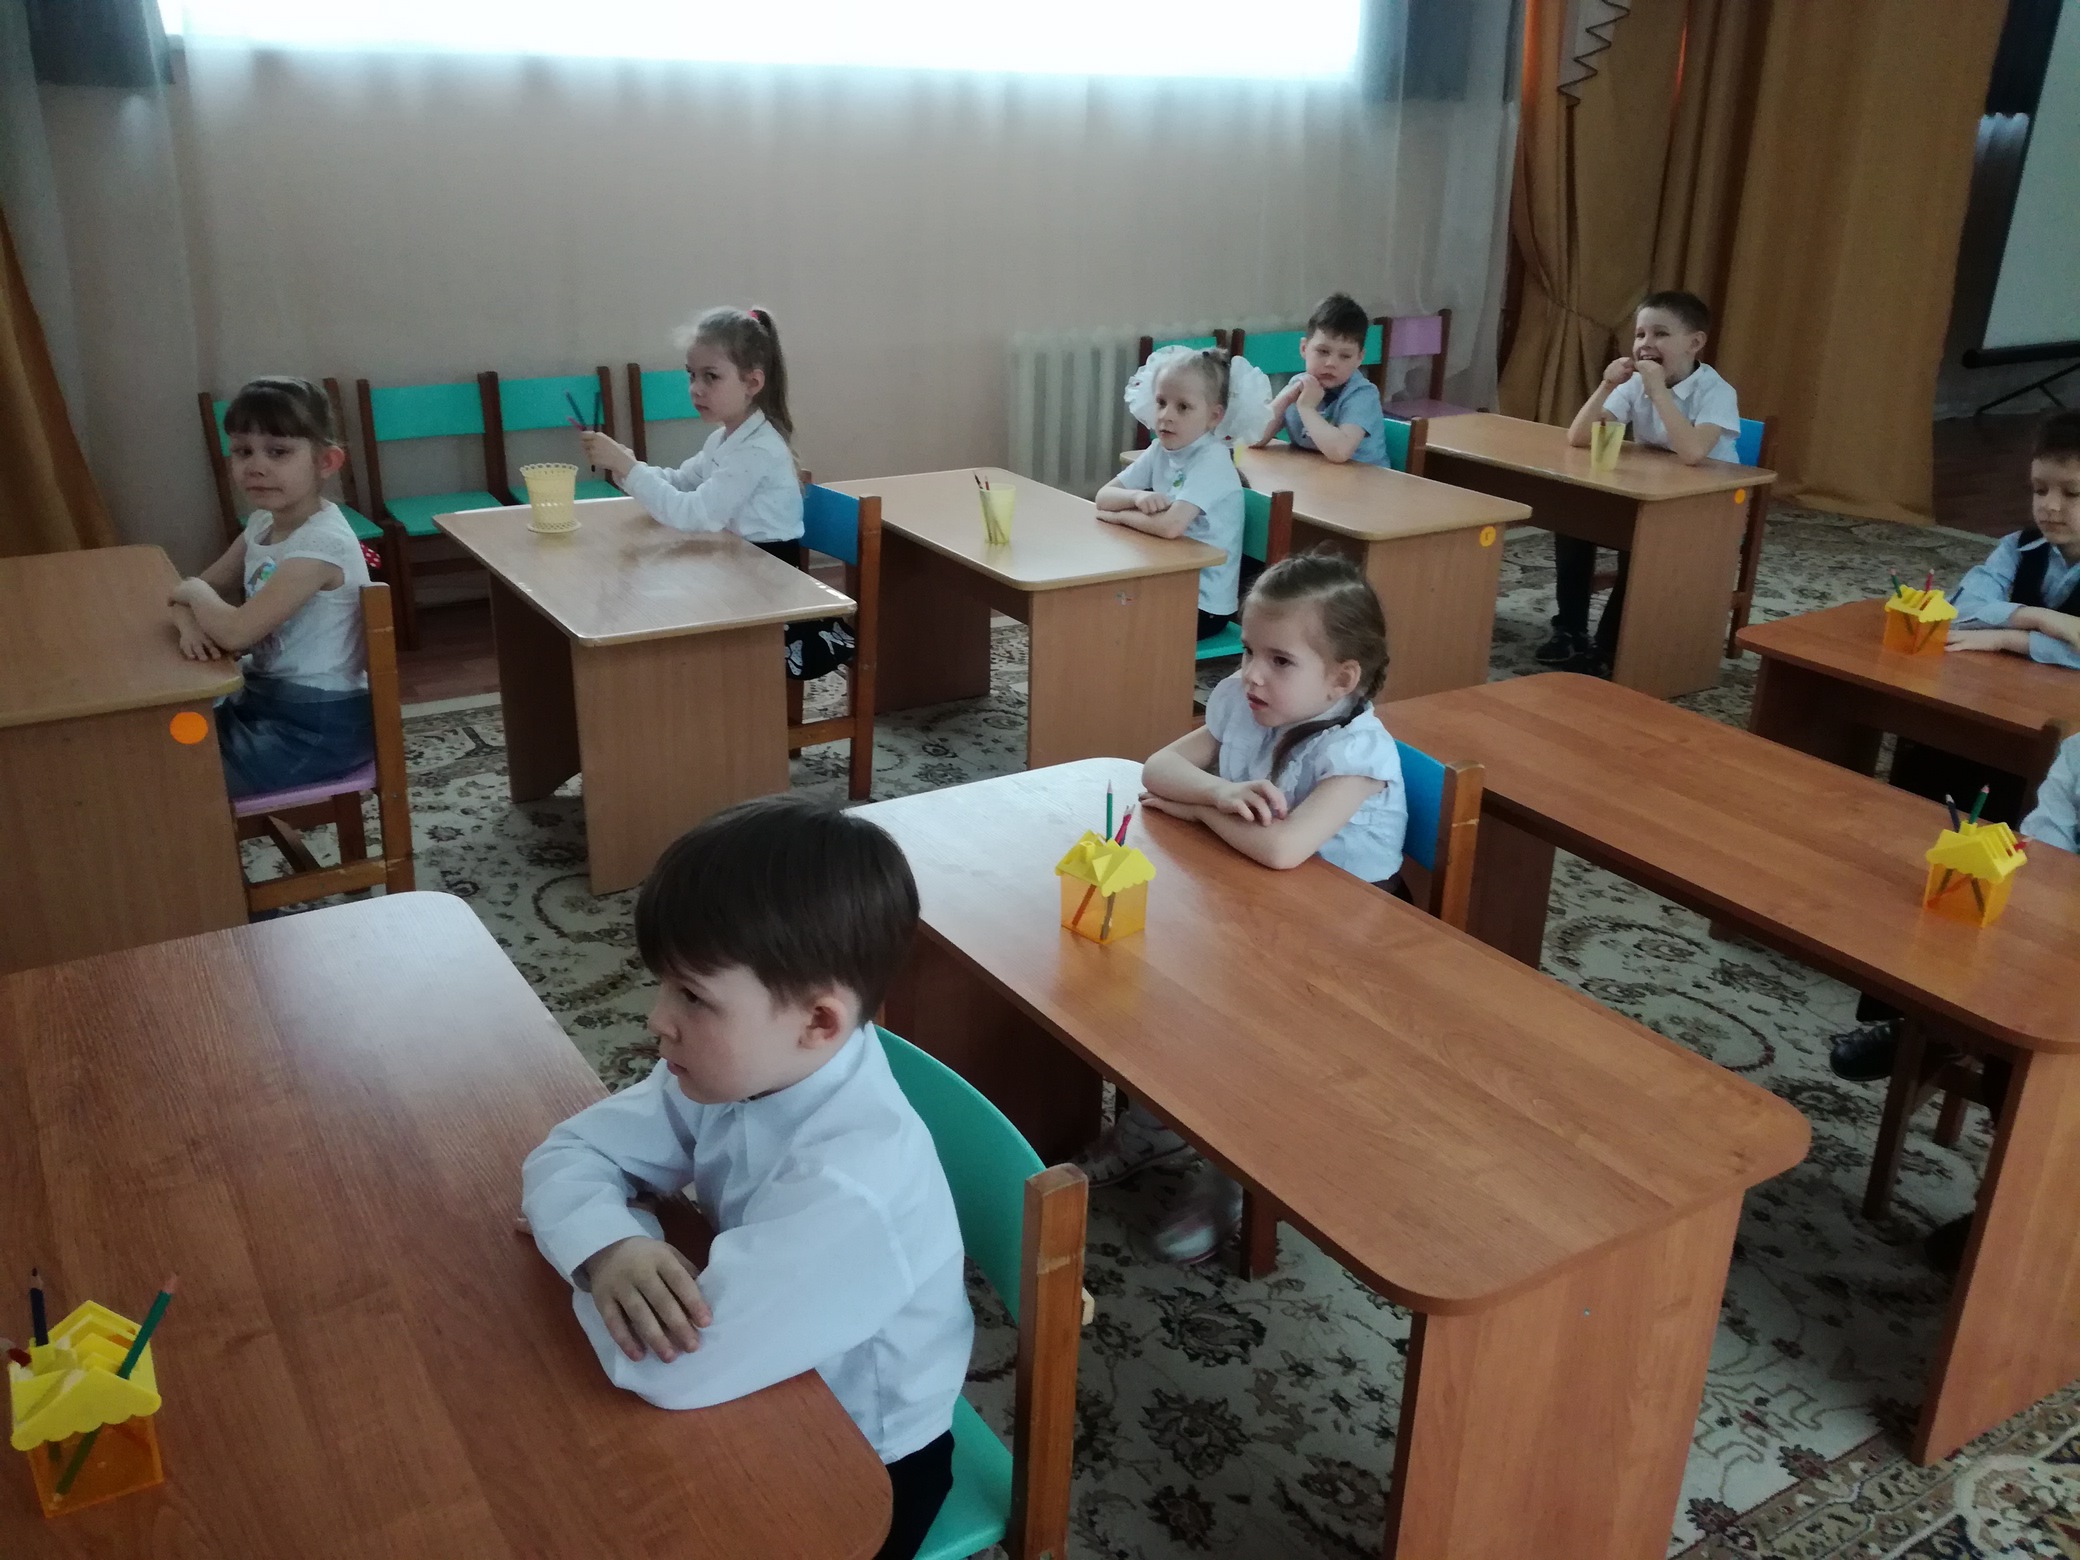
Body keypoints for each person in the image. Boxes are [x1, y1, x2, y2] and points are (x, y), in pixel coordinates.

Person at [520, 798, 971, 1560]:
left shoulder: (853, 1186)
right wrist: (610, 1247)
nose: (657, 1019)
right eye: (665, 985)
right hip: (768, 1367)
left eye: (693, 996)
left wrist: (594, 1238)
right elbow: (567, 1155)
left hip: (865, 1459)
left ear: (819, 1022)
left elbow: (667, 1366)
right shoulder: (749, 1067)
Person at [1081, 551, 1406, 1265]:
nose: (1252, 673)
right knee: (1148, 974)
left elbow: (1285, 849)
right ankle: (1154, 1129)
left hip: (1343, 940)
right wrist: (1221, 792)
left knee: (1241, 1034)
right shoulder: (1246, 701)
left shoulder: (1358, 752)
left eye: (1279, 660)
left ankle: (1231, 1181)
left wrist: (1199, 812)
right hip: (1253, 902)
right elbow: (1156, 768)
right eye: (1250, 650)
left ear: (1341, 679)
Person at [167, 376, 373, 798]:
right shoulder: (262, 523)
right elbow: (191, 590)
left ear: (326, 462)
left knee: (179, 779)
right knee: (165, 734)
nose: (255, 466)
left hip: (315, 728)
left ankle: (201, 834)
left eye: (278, 452)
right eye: (243, 451)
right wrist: (188, 620)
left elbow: (234, 630)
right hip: (258, 700)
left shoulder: (321, 546)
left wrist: (193, 594)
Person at [1541, 290, 1741, 675]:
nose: (1646, 344)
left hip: (1707, 507)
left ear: (1695, 342)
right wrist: (1606, 385)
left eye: (1660, 334)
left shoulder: (1716, 391)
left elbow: (1692, 453)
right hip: (1653, 491)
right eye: (1639, 335)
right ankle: (1570, 629)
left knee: (1640, 540)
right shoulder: (1635, 384)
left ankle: (1607, 648)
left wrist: (1658, 392)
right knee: (1572, 522)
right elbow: (1579, 437)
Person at [579, 306, 804, 556]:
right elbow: (680, 482)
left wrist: (630, 469)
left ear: (752, 383)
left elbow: (694, 514)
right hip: (736, 558)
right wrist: (626, 466)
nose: (695, 388)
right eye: (692, 375)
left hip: (770, 569)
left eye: (711, 376)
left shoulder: (758, 450)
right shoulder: (721, 440)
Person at [1102, 345, 1270, 643]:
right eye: (1161, 402)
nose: (1166, 415)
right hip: (1168, 580)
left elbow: (1170, 527)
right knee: (1096, 603)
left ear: (1214, 416)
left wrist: (1118, 517)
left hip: (1203, 605)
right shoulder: (1160, 450)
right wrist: (1136, 498)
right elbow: (1104, 496)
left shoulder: (1212, 460)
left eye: (1183, 407)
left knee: (1108, 615)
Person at [1948, 410, 2080, 668]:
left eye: (2073, 493)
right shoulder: (2019, 546)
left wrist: (2008, 639)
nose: (2049, 505)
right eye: (2040, 490)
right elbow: (1959, 608)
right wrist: (2037, 618)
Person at [1253, 292, 1393, 467]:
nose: (1331, 363)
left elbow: (1340, 452)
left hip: (1366, 480)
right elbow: (1254, 438)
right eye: (1323, 351)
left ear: (1359, 358)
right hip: (1316, 476)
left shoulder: (1362, 394)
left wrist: (1307, 408)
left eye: (1345, 356)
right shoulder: (1298, 385)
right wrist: (1285, 399)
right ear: (1304, 348)